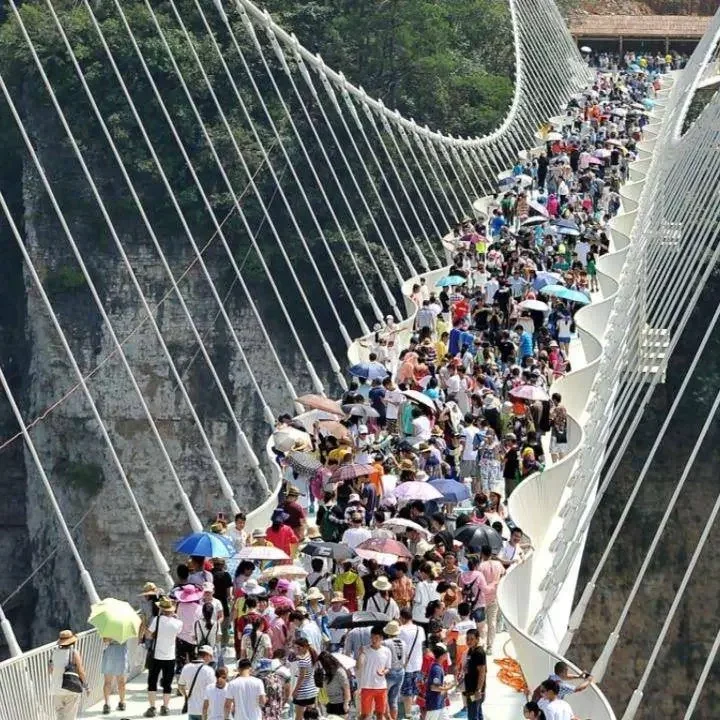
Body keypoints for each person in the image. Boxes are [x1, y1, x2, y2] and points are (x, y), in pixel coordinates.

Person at [144, 597, 184, 717]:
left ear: (161, 609)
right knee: (167, 683)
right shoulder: (178, 623)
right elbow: (177, 633)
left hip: (156, 655)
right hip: (170, 656)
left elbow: (149, 635)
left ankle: (152, 707)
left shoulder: (156, 620)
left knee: (152, 681)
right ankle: (165, 707)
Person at [49, 629, 86, 720]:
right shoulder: (73, 653)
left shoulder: (53, 652)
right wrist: (86, 685)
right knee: (70, 716)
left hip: (56, 689)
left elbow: (50, 670)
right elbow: (80, 671)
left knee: (60, 716)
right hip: (70, 689)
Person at [356, 627, 392, 720]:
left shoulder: (387, 651)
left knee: (380, 714)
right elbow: (358, 666)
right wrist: (360, 654)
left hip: (381, 687)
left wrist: (384, 671)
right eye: (372, 637)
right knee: (365, 715)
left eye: (376, 638)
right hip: (367, 686)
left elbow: (388, 667)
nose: (373, 640)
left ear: (381, 638)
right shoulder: (365, 649)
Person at [398, 608, 426, 717]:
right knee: (415, 690)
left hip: (407, 664)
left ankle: (408, 714)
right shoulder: (420, 629)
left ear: (402, 618)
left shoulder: (401, 630)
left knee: (407, 691)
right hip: (418, 663)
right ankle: (414, 712)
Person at [178, 645, 216, 720]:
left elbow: (180, 686)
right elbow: (213, 690)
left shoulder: (186, 667)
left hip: (192, 709)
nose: (211, 659)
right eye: (211, 656)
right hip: (206, 710)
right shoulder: (208, 670)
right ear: (207, 656)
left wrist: (186, 696)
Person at [382, 620, 407, 720]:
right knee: (394, 700)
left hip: (389, 672)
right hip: (400, 671)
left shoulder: (385, 643)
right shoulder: (403, 643)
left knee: (384, 698)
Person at [461, 629, 486, 720]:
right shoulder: (470, 651)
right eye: (467, 639)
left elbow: (482, 672)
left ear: (477, 639)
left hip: (475, 691)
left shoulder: (479, 653)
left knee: (472, 715)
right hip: (470, 689)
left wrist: (478, 690)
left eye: (472, 639)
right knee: (478, 713)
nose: (469, 641)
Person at [316, 650, 351, 715]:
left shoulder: (339, 672)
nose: (321, 666)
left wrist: (346, 703)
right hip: (329, 703)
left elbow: (346, 688)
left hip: (341, 703)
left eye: (322, 664)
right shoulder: (325, 672)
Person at [291, 637, 319, 719]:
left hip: (303, 691)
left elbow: (301, 677)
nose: (297, 649)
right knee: (310, 716)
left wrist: (295, 690)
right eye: (295, 647)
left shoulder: (303, 660)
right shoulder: (310, 654)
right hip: (312, 689)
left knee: (298, 717)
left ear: (305, 647)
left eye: (298, 648)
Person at [424, 643, 453, 720]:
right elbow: (434, 687)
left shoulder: (438, 667)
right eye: (445, 653)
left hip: (440, 704)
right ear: (442, 655)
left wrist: (445, 686)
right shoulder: (436, 669)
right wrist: (447, 688)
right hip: (434, 705)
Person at [100, 638, 129, 714]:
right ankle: (120, 702)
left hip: (111, 652)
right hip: (121, 652)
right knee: (119, 682)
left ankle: (108, 704)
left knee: (112, 682)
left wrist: (111, 637)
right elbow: (105, 640)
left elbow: (105, 640)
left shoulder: (109, 627)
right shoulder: (125, 626)